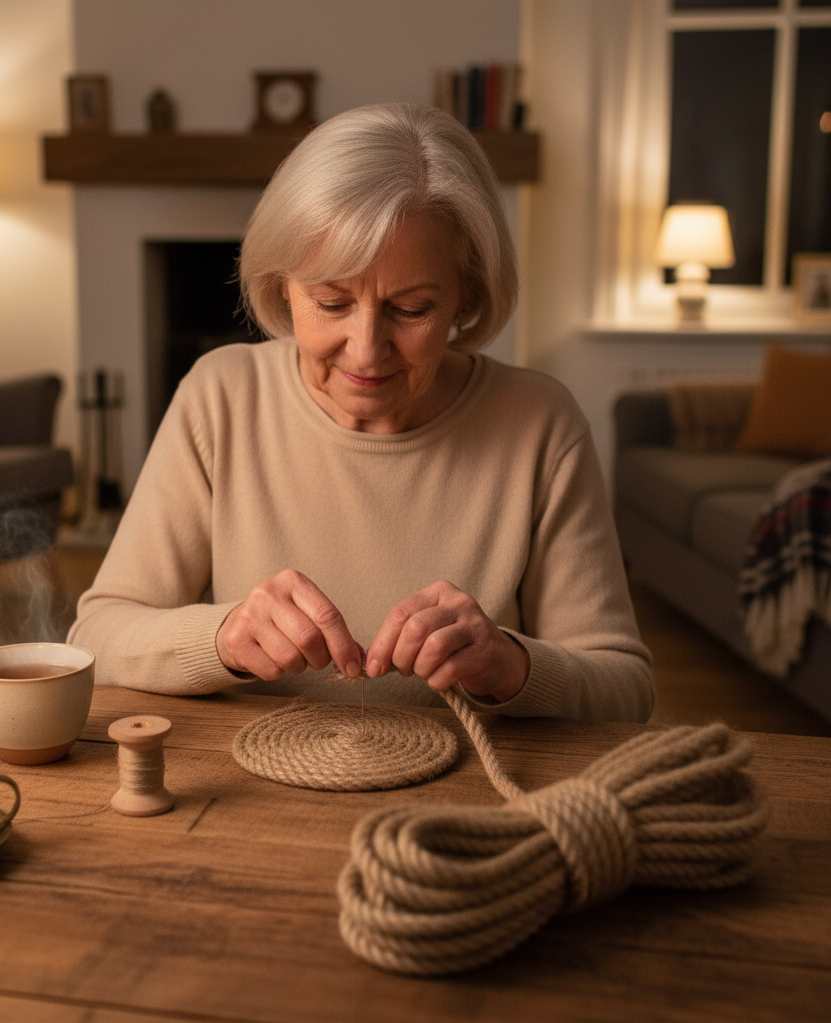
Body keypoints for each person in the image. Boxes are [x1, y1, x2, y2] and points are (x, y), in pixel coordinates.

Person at [68, 102, 653, 722]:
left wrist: (513, 664)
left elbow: (625, 690)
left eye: (412, 309)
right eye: (331, 301)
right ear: (281, 288)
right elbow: (95, 639)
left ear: (468, 295)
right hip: (253, 798)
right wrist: (224, 638)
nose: (367, 351)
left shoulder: (540, 424)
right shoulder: (221, 396)